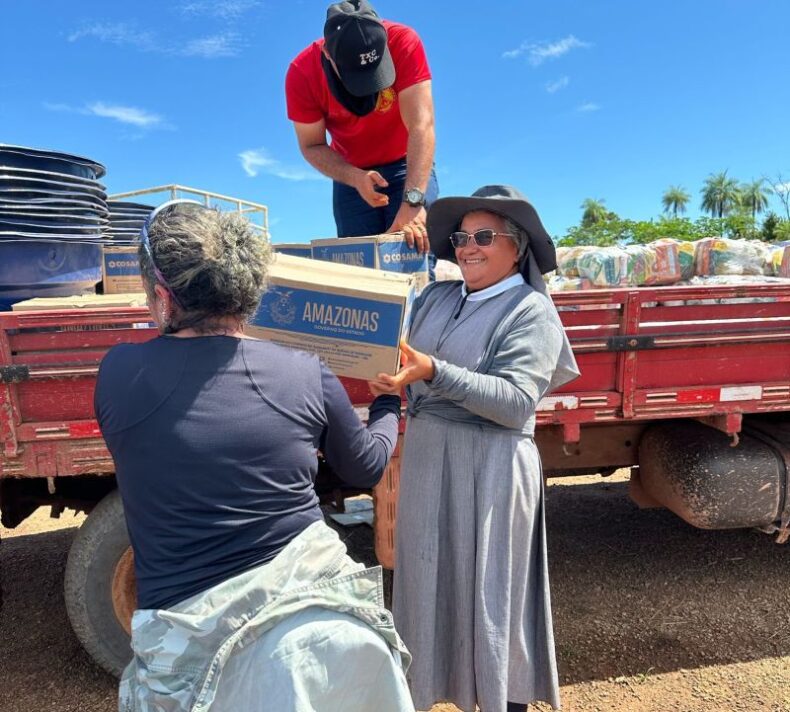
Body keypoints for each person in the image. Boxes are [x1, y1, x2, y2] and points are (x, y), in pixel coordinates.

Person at [94, 200, 415, 712]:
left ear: (163, 298)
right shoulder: (303, 371)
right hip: (324, 643)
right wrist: (387, 404)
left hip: (193, 652)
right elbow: (368, 465)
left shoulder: (118, 373)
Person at [370, 185, 580, 712]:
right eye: (462, 238)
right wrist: (390, 374)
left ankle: (503, 700)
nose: (468, 248)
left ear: (517, 245)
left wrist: (433, 372)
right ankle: (431, 688)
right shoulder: (436, 297)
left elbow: (515, 402)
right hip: (428, 463)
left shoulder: (531, 310)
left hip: (491, 471)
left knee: (491, 595)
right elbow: (397, 348)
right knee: (427, 584)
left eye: (483, 237)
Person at [286, 0, 437, 250]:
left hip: (406, 162)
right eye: (357, 75)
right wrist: (354, 177)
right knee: (357, 259)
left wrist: (413, 201)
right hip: (351, 171)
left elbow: (421, 125)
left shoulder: (404, 42)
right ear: (327, 54)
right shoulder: (302, 73)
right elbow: (311, 145)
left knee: (411, 250)